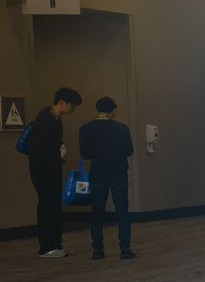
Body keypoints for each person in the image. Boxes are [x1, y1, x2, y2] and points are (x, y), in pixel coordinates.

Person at [79, 96, 135, 260]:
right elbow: (129, 151)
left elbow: (85, 154)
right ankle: (125, 248)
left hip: (98, 172)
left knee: (97, 211)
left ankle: (97, 249)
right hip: (118, 172)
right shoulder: (122, 128)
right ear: (113, 110)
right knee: (122, 210)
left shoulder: (86, 129)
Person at [28, 86, 82, 258]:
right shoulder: (45, 119)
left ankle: (55, 244)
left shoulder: (54, 118)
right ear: (62, 102)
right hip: (44, 170)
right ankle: (47, 246)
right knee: (47, 205)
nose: (72, 109)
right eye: (71, 105)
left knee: (53, 205)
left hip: (51, 168)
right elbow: (41, 149)